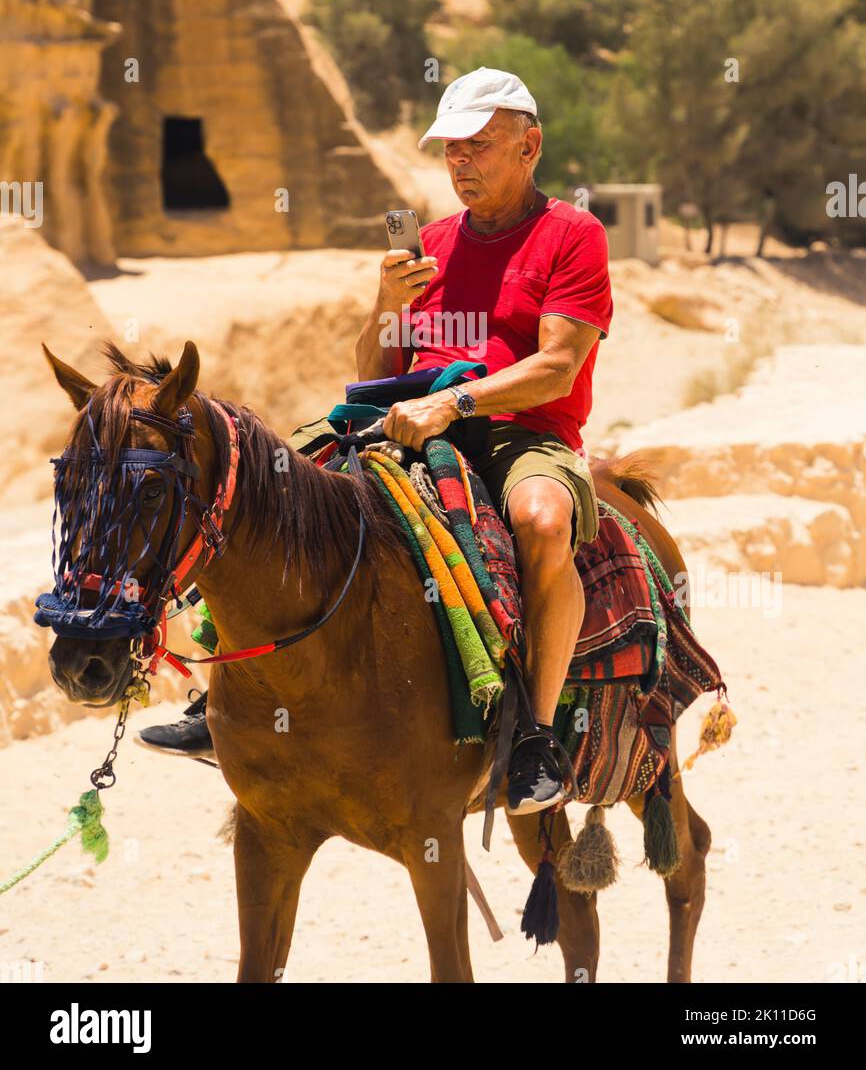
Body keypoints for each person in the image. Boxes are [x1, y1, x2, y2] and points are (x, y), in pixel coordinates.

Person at [138, 68, 613, 815]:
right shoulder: (428, 244)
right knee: (258, 488)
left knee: (543, 522)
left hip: (523, 432)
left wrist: (452, 403)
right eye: (450, 150)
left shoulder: (572, 234)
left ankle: (537, 738)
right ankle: (221, 692)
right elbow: (375, 373)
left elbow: (557, 368)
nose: (461, 163)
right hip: (404, 422)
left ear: (531, 145)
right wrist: (387, 305)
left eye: (479, 147)